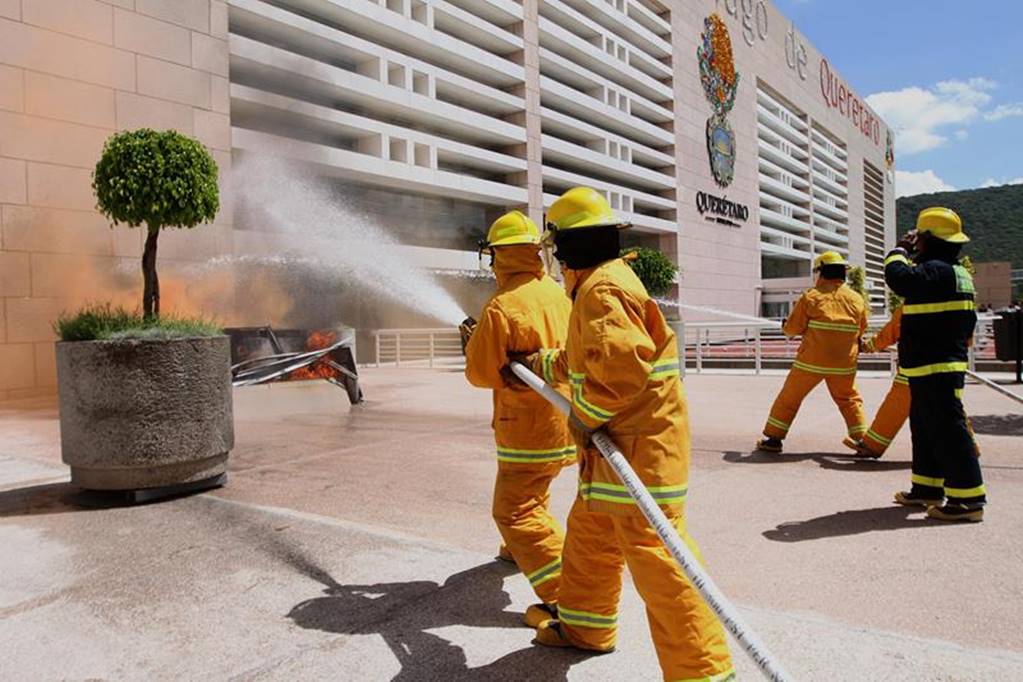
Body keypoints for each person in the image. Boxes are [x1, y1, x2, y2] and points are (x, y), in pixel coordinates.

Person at [517, 187, 734, 682]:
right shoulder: (603, 283)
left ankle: (703, 674)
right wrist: (537, 364)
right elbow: (586, 360)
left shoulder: (601, 290)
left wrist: (584, 416)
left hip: (638, 457)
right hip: (617, 459)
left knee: (665, 572)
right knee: (590, 547)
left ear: (566, 247)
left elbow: (617, 370)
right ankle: (586, 627)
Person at [463, 210, 576, 624]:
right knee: (534, 492)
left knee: (514, 509)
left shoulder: (501, 307)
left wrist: (474, 344)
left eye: (492, 256)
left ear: (498, 256)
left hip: (526, 428)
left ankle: (569, 596)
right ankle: (516, 550)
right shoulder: (558, 295)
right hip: (563, 421)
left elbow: (480, 374)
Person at [885, 207, 985, 522]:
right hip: (933, 365)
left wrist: (899, 250)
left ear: (927, 240)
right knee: (926, 427)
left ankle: (967, 499)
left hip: (935, 365)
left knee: (948, 430)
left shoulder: (936, 272)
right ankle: (927, 488)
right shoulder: (955, 273)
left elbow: (898, 279)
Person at [756, 251, 868, 453]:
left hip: (810, 363)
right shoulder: (857, 299)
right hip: (844, 364)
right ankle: (862, 440)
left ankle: (773, 439)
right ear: (843, 274)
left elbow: (792, 329)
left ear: (821, 272)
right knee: (849, 400)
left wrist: (785, 327)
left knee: (789, 398)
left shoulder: (811, 297)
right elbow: (861, 329)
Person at [843, 306, 908, 458]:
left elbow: (887, 335)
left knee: (893, 408)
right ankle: (969, 449)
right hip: (948, 368)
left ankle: (872, 446)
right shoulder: (954, 301)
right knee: (949, 409)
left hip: (914, 370)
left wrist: (866, 346)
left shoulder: (912, 305)